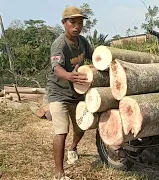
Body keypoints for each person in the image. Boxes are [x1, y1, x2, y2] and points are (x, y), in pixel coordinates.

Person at [47, 6, 93, 180]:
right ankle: (59, 173)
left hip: (77, 92)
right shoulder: (59, 44)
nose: (77, 26)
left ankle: (72, 148)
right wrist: (69, 76)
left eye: (80, 23)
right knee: (61, 131)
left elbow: (94, 56)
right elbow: (56, 68)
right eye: (72, 22)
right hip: (58, 92)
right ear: (64, 23)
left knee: (82, 126)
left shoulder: (83, 41)